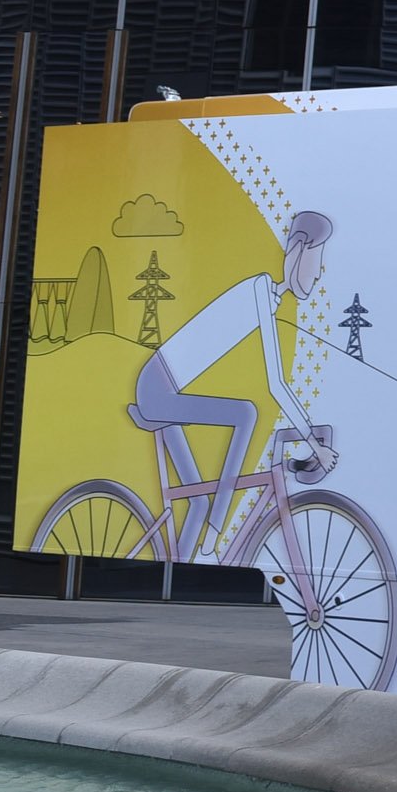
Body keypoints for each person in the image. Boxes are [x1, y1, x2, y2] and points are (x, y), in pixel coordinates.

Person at [129, 208, 335, 560]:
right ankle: (213, 534)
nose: (319, 273)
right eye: (316, 259)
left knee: (195, 500)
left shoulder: (268, 299)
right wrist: (316, 449)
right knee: (245, 413)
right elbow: (276, 383)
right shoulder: (259, 289)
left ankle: (178, 565)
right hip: (156, 387)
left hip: (162, 388)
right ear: (298, 252)